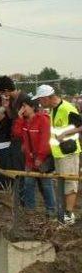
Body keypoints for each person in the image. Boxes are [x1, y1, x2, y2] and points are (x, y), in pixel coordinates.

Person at [34, 84, 81, 225]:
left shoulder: (67, 108)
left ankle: (68, 214)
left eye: (41, 100)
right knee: (61, 184)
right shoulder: (52, 110)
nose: (40, 103)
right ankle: (63, 213)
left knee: (69, 183)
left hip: (69, 153)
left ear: (47, 98)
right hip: (58, 153)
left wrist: (65, 133)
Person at [11, 94, 56, 217]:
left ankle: (51, 210)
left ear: (32, 107)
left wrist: (40, 157)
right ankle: (30, 209)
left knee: (46, 185)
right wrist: (19, 118)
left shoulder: (43, 120)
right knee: (28, 184)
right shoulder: (24, 122)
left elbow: (45, 140)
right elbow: (17, 133)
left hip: (42, 159)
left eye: (24, 106)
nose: (22, 109)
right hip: (29, 160)